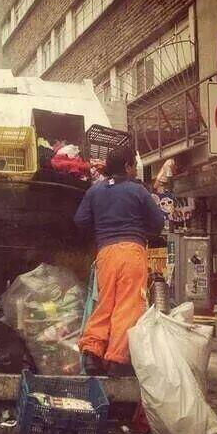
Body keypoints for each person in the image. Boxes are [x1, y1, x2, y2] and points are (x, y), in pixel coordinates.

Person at [74, 146, 165, 376]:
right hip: (131, 253)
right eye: (134, 164)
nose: (135, 169)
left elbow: (80, 221)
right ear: (127, 166)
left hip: (105, 253)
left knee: (105, 303)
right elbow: (158, 223)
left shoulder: (95, 191)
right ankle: (115, 359)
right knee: (127, 305)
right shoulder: (138, 190)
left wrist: (101, 226)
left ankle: (92, 354)